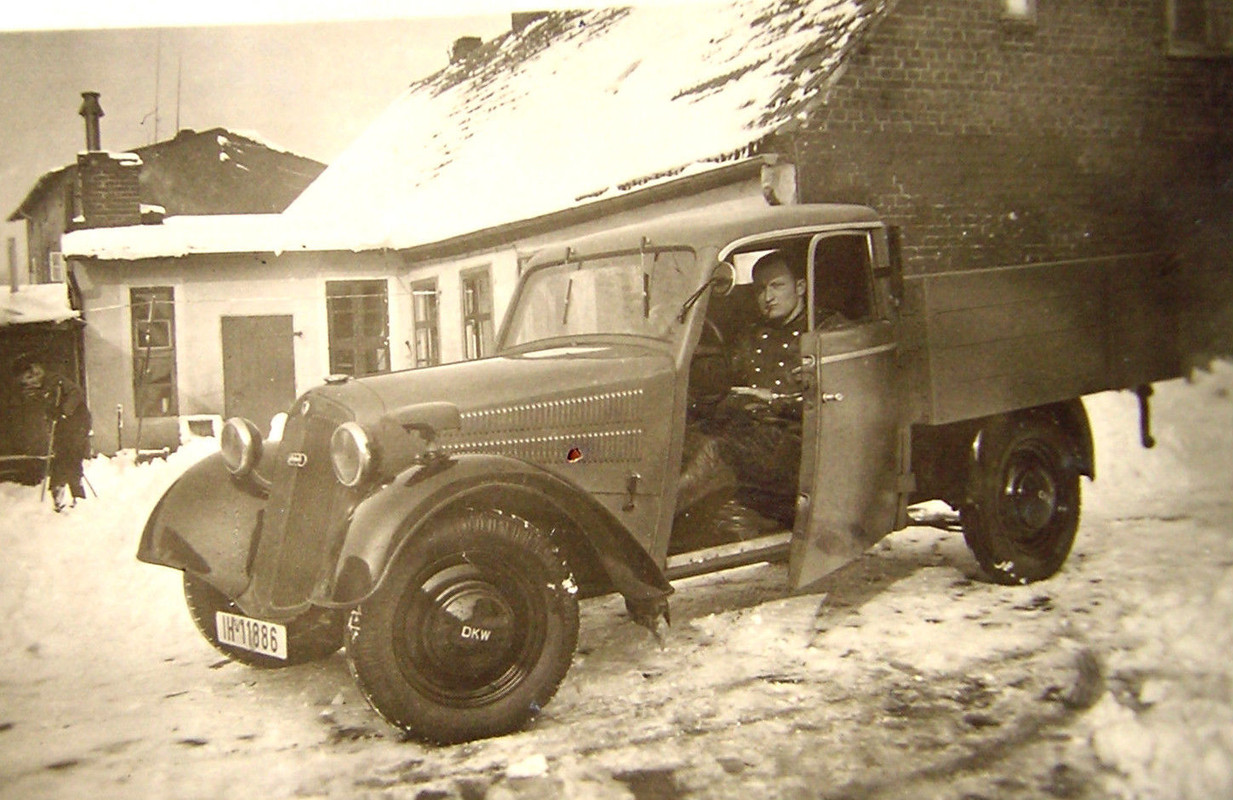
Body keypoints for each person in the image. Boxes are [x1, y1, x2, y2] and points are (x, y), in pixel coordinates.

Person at [674, 251, 845, 545]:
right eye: (760, 289)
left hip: (796, 441)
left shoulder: (826, 331)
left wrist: (773, 399)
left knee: (716, 451)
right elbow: (727, 381)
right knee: (685, 440)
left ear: (801, 287)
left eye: (777, 286)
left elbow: (839, 398)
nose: (768, 297)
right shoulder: (752, 335)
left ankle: (656, 529)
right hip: (753, 437)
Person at [12, 354, 92, 511]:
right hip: (61, 425)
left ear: (36, 370)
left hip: (77, 422)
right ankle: (58, 491)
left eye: (30, 376)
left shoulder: (56, 380)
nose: (29, 381)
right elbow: (42, 406)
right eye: (25, 380)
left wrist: (63, 411)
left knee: (72, 454)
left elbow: (76, 394)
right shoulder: (35, 388)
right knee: (61, 455)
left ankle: (77, 494)